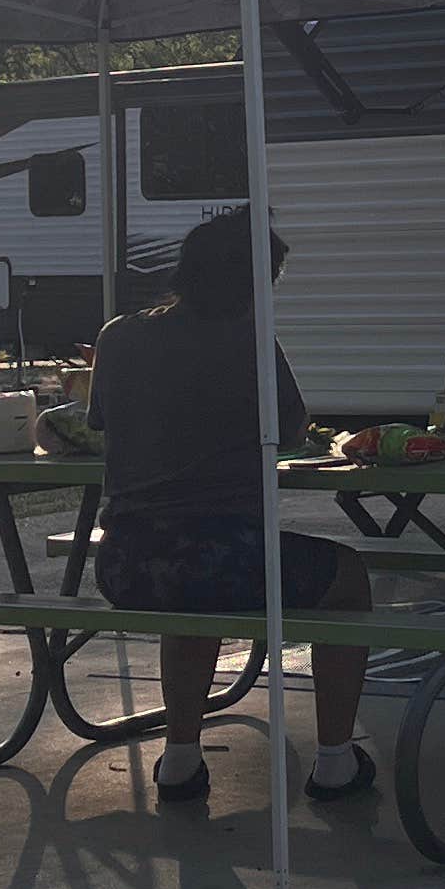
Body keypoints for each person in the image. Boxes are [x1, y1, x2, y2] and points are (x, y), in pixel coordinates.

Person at [86, 205, 374, 810]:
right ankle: (335, 761)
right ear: (251, 286)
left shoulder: (118, 335)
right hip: (217, 556)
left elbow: (100, 423)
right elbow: (293, 428)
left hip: (125, 561)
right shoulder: (248, 342)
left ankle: (182, 760)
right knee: (348, 578)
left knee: (194, 601)